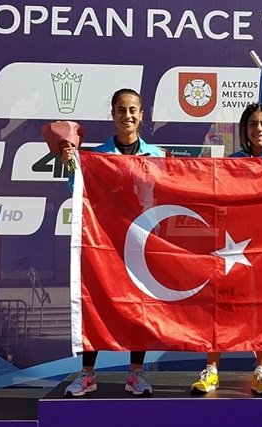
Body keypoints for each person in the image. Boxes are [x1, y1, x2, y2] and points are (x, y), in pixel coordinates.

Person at [60, 88, 165, 398]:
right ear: (113, 114)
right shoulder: (96, 156)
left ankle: (136, 373)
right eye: (121, 109)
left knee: (139, 306)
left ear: (141, 115)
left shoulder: (157, 156)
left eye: (133, 110)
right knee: (95, 302)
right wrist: (71, 166)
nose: (127, 115)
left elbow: (170, 192)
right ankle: (87, 374)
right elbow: (77, 191)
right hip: (103, 241)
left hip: (141, 240)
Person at [190, 103, 262, 398]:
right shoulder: (230, 163)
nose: (258, 129)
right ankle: (211, 370)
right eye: (253, 124)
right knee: (222, 306)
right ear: (244, 129)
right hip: (231, 245)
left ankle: (260, 373)